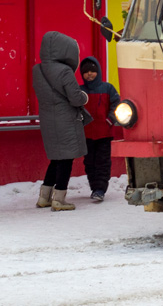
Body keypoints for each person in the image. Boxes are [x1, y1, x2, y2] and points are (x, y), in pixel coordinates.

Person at [32, 31, 88, 211]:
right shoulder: (64, 71)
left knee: (56, 158)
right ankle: (59, 199)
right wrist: (85, 97)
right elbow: (75, 98)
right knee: (66, 159)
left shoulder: (37, 70)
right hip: (65, 120)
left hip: (48, 120)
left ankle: (44, 197)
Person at [78, 56, 121, 202]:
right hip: (86, 135)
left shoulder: (108, 88)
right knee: (89, 163)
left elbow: (116, 105)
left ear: (98, 71)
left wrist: (110, 120)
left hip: (104, 133)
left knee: (103, 163)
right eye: (85, 72)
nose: (89, 74)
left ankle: (101, 189)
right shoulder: (80, 91)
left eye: (92, 71)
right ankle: (94, 188)